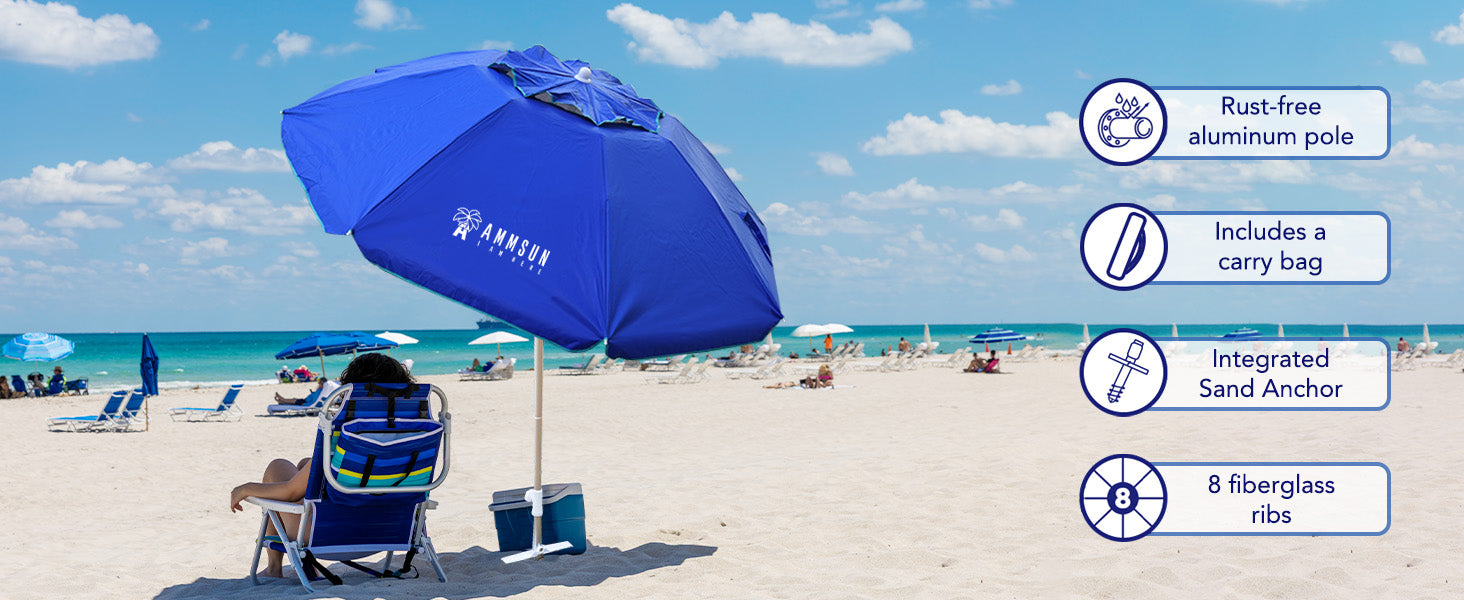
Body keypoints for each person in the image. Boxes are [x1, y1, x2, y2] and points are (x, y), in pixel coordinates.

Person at [231, 353, 414, 579]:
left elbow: (289, 492)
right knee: (306, 465)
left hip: (328, 535)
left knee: (278, 466)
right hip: (393, 531)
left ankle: (275, 568)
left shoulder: (346, 432)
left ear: (352, 390)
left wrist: (246, 488)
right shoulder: (416, 434)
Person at [273, 376, 339, 406]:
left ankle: (282, 399)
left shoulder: (321, 392)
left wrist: (305, 404)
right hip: (306, 400)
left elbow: (315, 401)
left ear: (322, 383)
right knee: (294, 400)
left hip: (306, 402)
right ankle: (281, 401)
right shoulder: (321, 390)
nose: (318, 384)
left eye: (319, 383)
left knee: (294, 400)